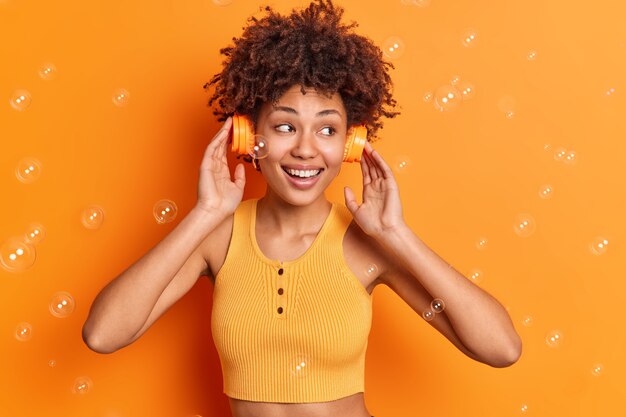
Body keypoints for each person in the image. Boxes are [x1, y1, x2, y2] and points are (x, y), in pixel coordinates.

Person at [82, 1, 522, 416]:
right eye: (286, 126)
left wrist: (397, 235)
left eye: (328, 130)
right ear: (248, 137)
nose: (306, 150)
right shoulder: (218, 238)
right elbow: (103, 335)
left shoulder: (368, 245)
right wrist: (204, 214)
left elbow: (501, 349)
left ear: (351, 144)